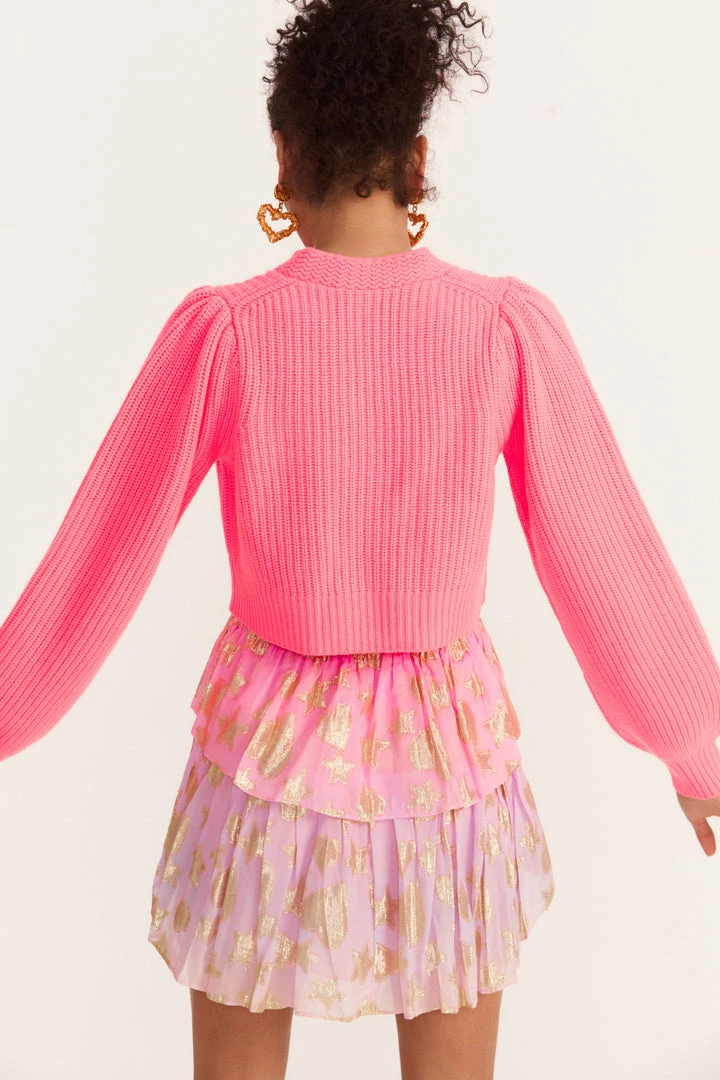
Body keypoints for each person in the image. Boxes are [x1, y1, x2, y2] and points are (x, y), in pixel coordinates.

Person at [1, 1, 719, 1078]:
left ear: (284, 160)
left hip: (265, 754)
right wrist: (696, 744)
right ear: (417, 160)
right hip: (445, 755)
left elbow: (98, 554)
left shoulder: (226, 331)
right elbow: (603, 552)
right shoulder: (502, 327)